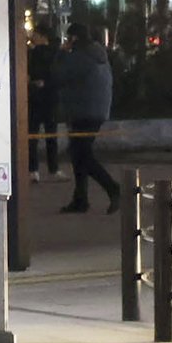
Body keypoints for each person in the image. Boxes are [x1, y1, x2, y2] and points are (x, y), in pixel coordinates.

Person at [52, 22, 121, 214]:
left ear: (74, 38)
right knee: (79, 155)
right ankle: (80, 198)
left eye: (69, 38)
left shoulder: (81, 56)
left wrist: (62, 53)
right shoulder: (96, 54)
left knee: (82, 155)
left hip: (83, 111)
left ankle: (113, 188)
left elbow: (59, 75)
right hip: (94, 110)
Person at [26, 21, 64, 182]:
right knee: (50, 135)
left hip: (36, 97)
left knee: (33, 136)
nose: (32, 36)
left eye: (35, 34)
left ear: (42, 36)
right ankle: (53, 169)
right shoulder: (56, 54)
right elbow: (59, 75)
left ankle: (33, 170)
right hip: (50, 98)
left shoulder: (32, 53)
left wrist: (36, 82)